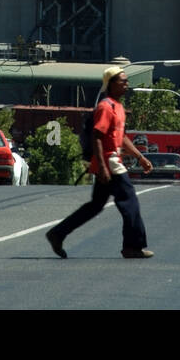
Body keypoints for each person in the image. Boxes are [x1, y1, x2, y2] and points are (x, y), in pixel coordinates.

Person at [46, 66, 154, 259]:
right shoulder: (106, 107)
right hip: (110, 162)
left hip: (111, 161)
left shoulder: (118, 107)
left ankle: (58, 233)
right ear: (111, 84)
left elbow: (121, 137)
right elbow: (97, 136)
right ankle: (132, 246)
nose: (126, 84)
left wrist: (140, 157)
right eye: (122, 81)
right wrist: (103, 167)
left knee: (95, 206)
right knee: (130, 202)